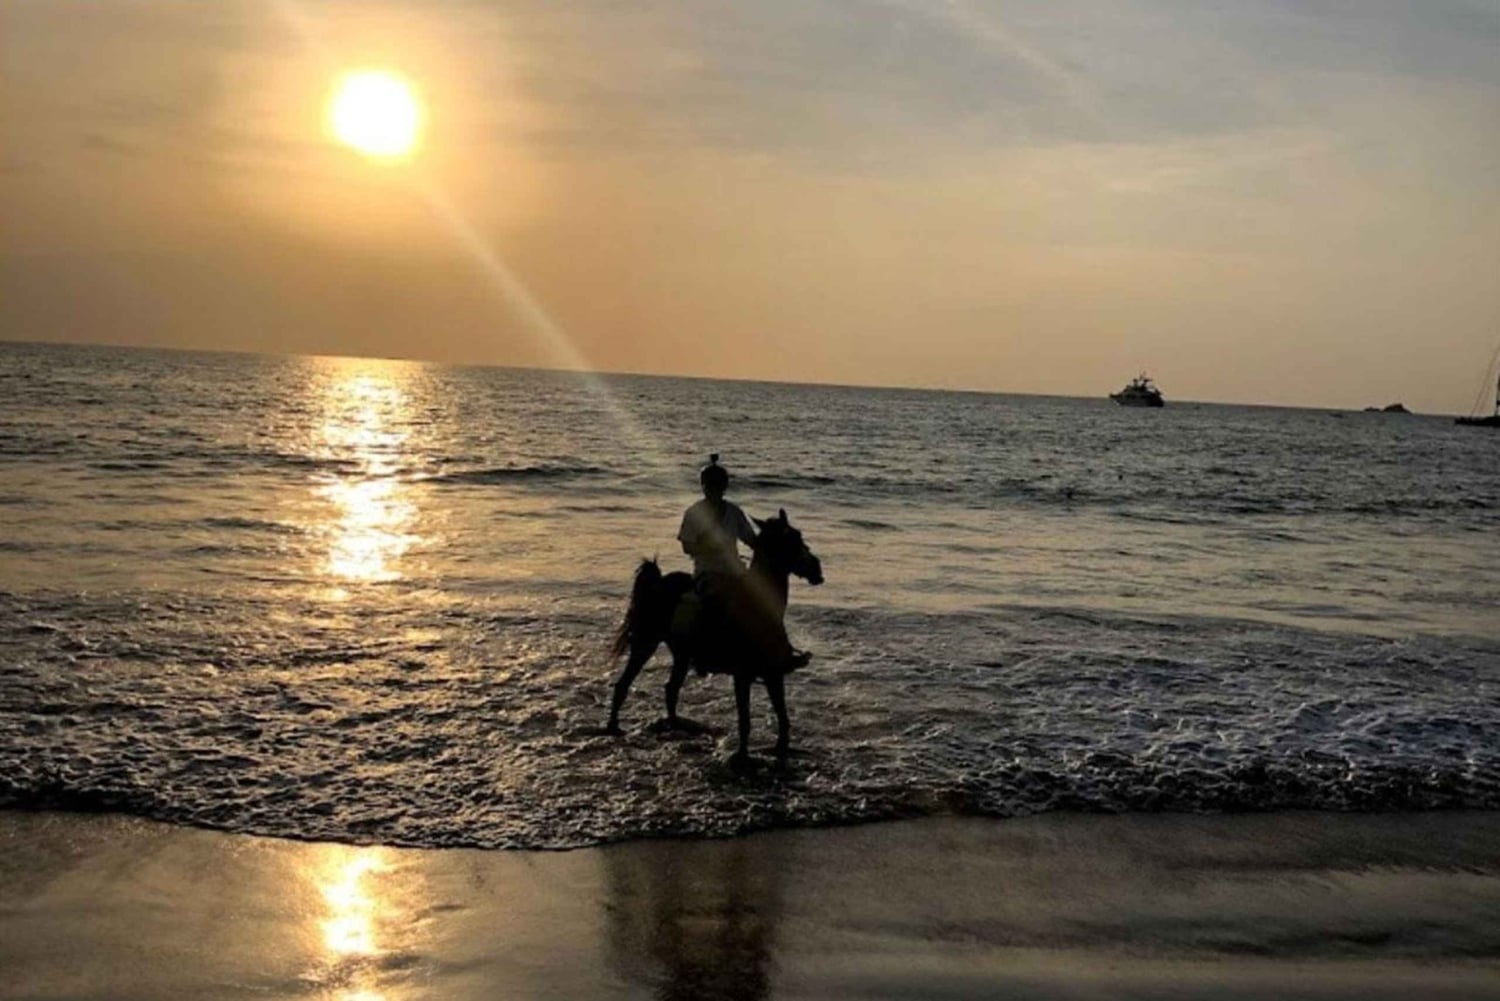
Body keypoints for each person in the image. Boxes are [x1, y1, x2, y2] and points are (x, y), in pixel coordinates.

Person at [677, 455, 806, 671]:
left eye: (718, 486)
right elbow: (687, 546)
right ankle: (702, 653)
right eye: (710, 486)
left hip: (736, 571)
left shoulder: (734, 512)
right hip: (707, 572)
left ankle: (782, 648)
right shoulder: (694, 513)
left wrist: (775, 538)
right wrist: (709, 548)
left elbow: (752, 541)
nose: (714, 490)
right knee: (715, 605)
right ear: (703, 487)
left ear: (724, 487)